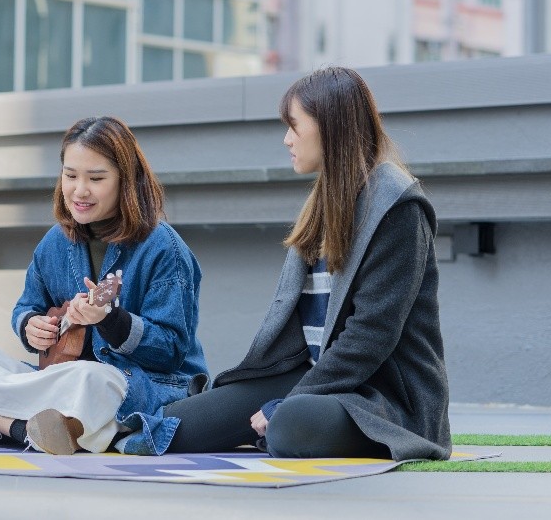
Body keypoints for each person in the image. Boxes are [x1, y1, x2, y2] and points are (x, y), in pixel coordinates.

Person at [137, 66, 451, 460]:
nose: (286, 139)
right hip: (316, 378)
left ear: (330, 127)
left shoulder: (397, 206)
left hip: (382, 395)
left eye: (294, 126)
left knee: (290, 425)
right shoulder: (324, 204)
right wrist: (262, 393)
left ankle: (282, 423)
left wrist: (287, 403)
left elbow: (371, 335)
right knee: (171, 427)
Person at [0, 116, 208, 455]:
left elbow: (171, 350)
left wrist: (110, 320)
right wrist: (31, 326)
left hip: (138, 383)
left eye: (96, 178)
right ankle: (45, 429)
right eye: (70, 175)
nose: (79, 190)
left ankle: (4, 424)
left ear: (126, 181)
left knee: (91, 379)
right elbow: (26, 306)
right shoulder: (54, 243)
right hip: (59, 380)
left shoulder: (164, 248)